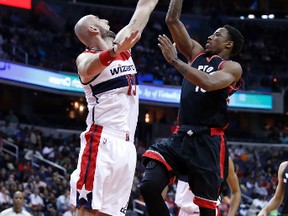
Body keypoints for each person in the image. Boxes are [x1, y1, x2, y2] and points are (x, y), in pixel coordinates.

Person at [139, 0, 244, 215]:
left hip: (208, 142)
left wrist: (175, 61)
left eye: (217, 35)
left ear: (229, 45)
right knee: (148, 186)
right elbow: (172, 20)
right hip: (181, 137)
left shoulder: (232, 67)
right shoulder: (196, 53)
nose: (210, 36)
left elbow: (208, 82)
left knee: (206, 210)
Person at [69, 0, 159, 215]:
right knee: (86, 210)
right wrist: (114, 51)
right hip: (102, 140)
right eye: (99, 19)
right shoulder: (86, 56)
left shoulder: (123, 47)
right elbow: (86, 69)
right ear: (93, 28)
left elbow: (144, 7)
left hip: (128, 147)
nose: (106, 20)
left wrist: (118, 49)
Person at [175, 157, 241, 216]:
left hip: (209, 212)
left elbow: (236, 191)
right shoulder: (181, 149)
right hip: (182, 211)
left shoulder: (222, 156)